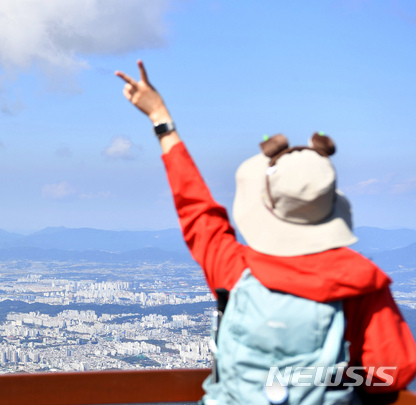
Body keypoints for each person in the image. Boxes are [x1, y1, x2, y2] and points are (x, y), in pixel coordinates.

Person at [116, 61, 416, 404]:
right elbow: (394, 370)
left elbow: (196, 209)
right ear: (331, 206)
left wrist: (160, 118)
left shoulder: (235, 268)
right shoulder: (360, 284)